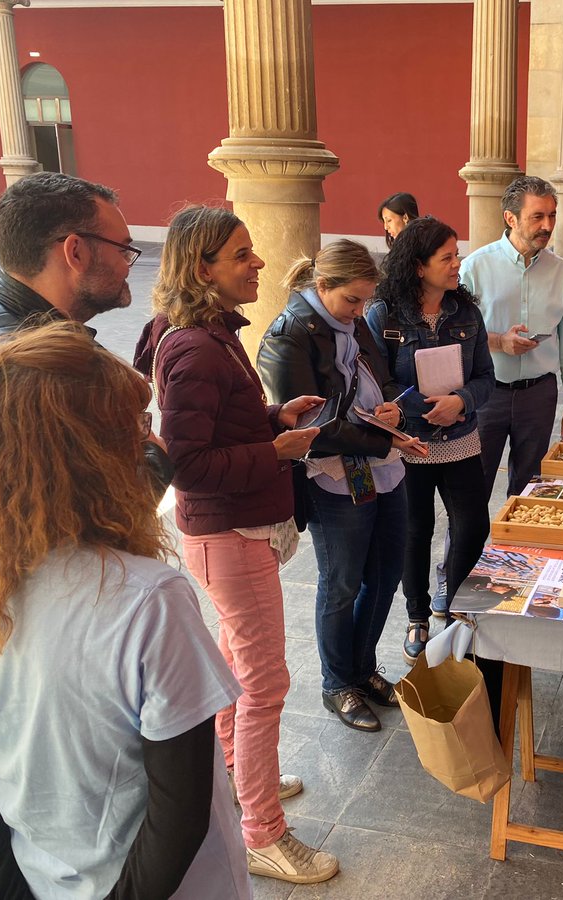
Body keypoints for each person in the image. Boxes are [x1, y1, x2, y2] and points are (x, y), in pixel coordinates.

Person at [0, 322, 251, 898]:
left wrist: (10, 891)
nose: (151, 445)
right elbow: (180, 811)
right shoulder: (148, 602)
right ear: (89, 457)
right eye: (135, 430)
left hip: (46, 882)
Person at [133, 206, 339, 885]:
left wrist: (272, 417)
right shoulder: (194, 347)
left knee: (238, 668)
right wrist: (273, 450)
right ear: (203, 269)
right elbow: (187, 466)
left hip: (232, 532)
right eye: (242, 254)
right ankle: (261, 832)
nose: (258, 264)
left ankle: (240, 779)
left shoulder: (208, 333)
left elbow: (218, 431)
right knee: (264, 683)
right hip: (228, 533)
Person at [258, 239, 427, 732]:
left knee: (386, 572)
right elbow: (309, 430)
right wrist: (386, 439)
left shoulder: (352, 323)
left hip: (381, 464)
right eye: (351, 301)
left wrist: (393, 407)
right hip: (336, 473)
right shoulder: (289, 335)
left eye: (365, 302)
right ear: (321, 285)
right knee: (342, 582)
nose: (359, 313)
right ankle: (337, 684)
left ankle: (362, 668)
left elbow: (384, 377)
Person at [366, 216, 495, 664]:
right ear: (419, 266)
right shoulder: (383, 315)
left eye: (456, 255)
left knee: (473, 525)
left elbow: (486, 378)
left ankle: (459, 613)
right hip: (411, 446)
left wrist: (460, 402)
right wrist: (422, 409)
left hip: (461, 440)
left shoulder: (466, 312)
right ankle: (418, 616)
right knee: (414, 532)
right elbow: (376, 385)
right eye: (448, 257)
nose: (457, 264)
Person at [0, 172, 138, 399]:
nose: (127, 266)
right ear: (76, 252)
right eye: (123, 251)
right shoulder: (37, 374)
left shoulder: (7, 326)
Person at [460, 174, 563, 499]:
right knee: (470, 495)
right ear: (511, 218)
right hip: (486, 395)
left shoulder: (561, 271)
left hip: (539, 397)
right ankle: (465, 553)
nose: (547, 225)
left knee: (529, 494)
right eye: (537, 216)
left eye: (552, 215)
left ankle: (518, 551)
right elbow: (457, 336)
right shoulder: (475, 268)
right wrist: (498, 342)